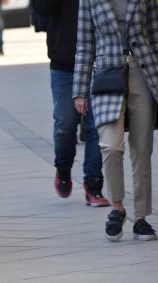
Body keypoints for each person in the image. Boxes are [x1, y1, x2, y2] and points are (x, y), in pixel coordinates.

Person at [73, 0, 158, 241]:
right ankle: (117, 208)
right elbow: (85, 43)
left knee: (142, 150)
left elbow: (155, 35)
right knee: (110, 145)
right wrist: (80, 90)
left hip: (143, 72)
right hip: (107, 75)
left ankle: (141, 218)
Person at [32, 0, 109, 207]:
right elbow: (41, 8)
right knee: (65, 123)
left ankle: (93, 185)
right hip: (63, 63)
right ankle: (63, 168)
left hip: (98, 61)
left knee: (97, 125)